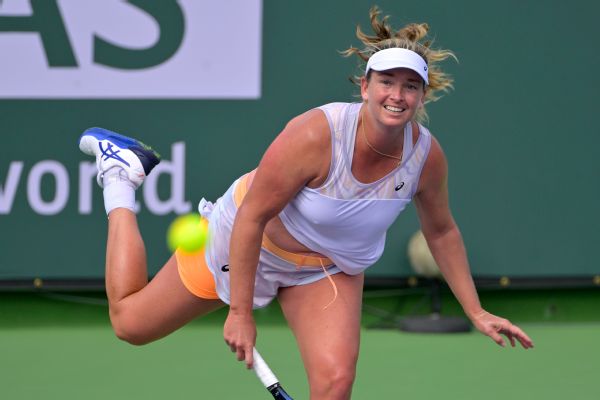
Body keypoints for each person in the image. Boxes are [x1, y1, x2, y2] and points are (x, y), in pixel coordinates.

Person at [79, 7, 533, 400]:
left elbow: (441, 231)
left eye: (410, 86)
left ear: (422, 95)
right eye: (387, 82)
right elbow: (254, 215)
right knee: (131, 325)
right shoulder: (316, 134)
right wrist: (239, 313)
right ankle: (120, 176)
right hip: (246, 243)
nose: (397, 95)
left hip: (327, 269)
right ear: (365, 86)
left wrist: (476, 311)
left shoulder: (425, 157)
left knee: (335, 383)